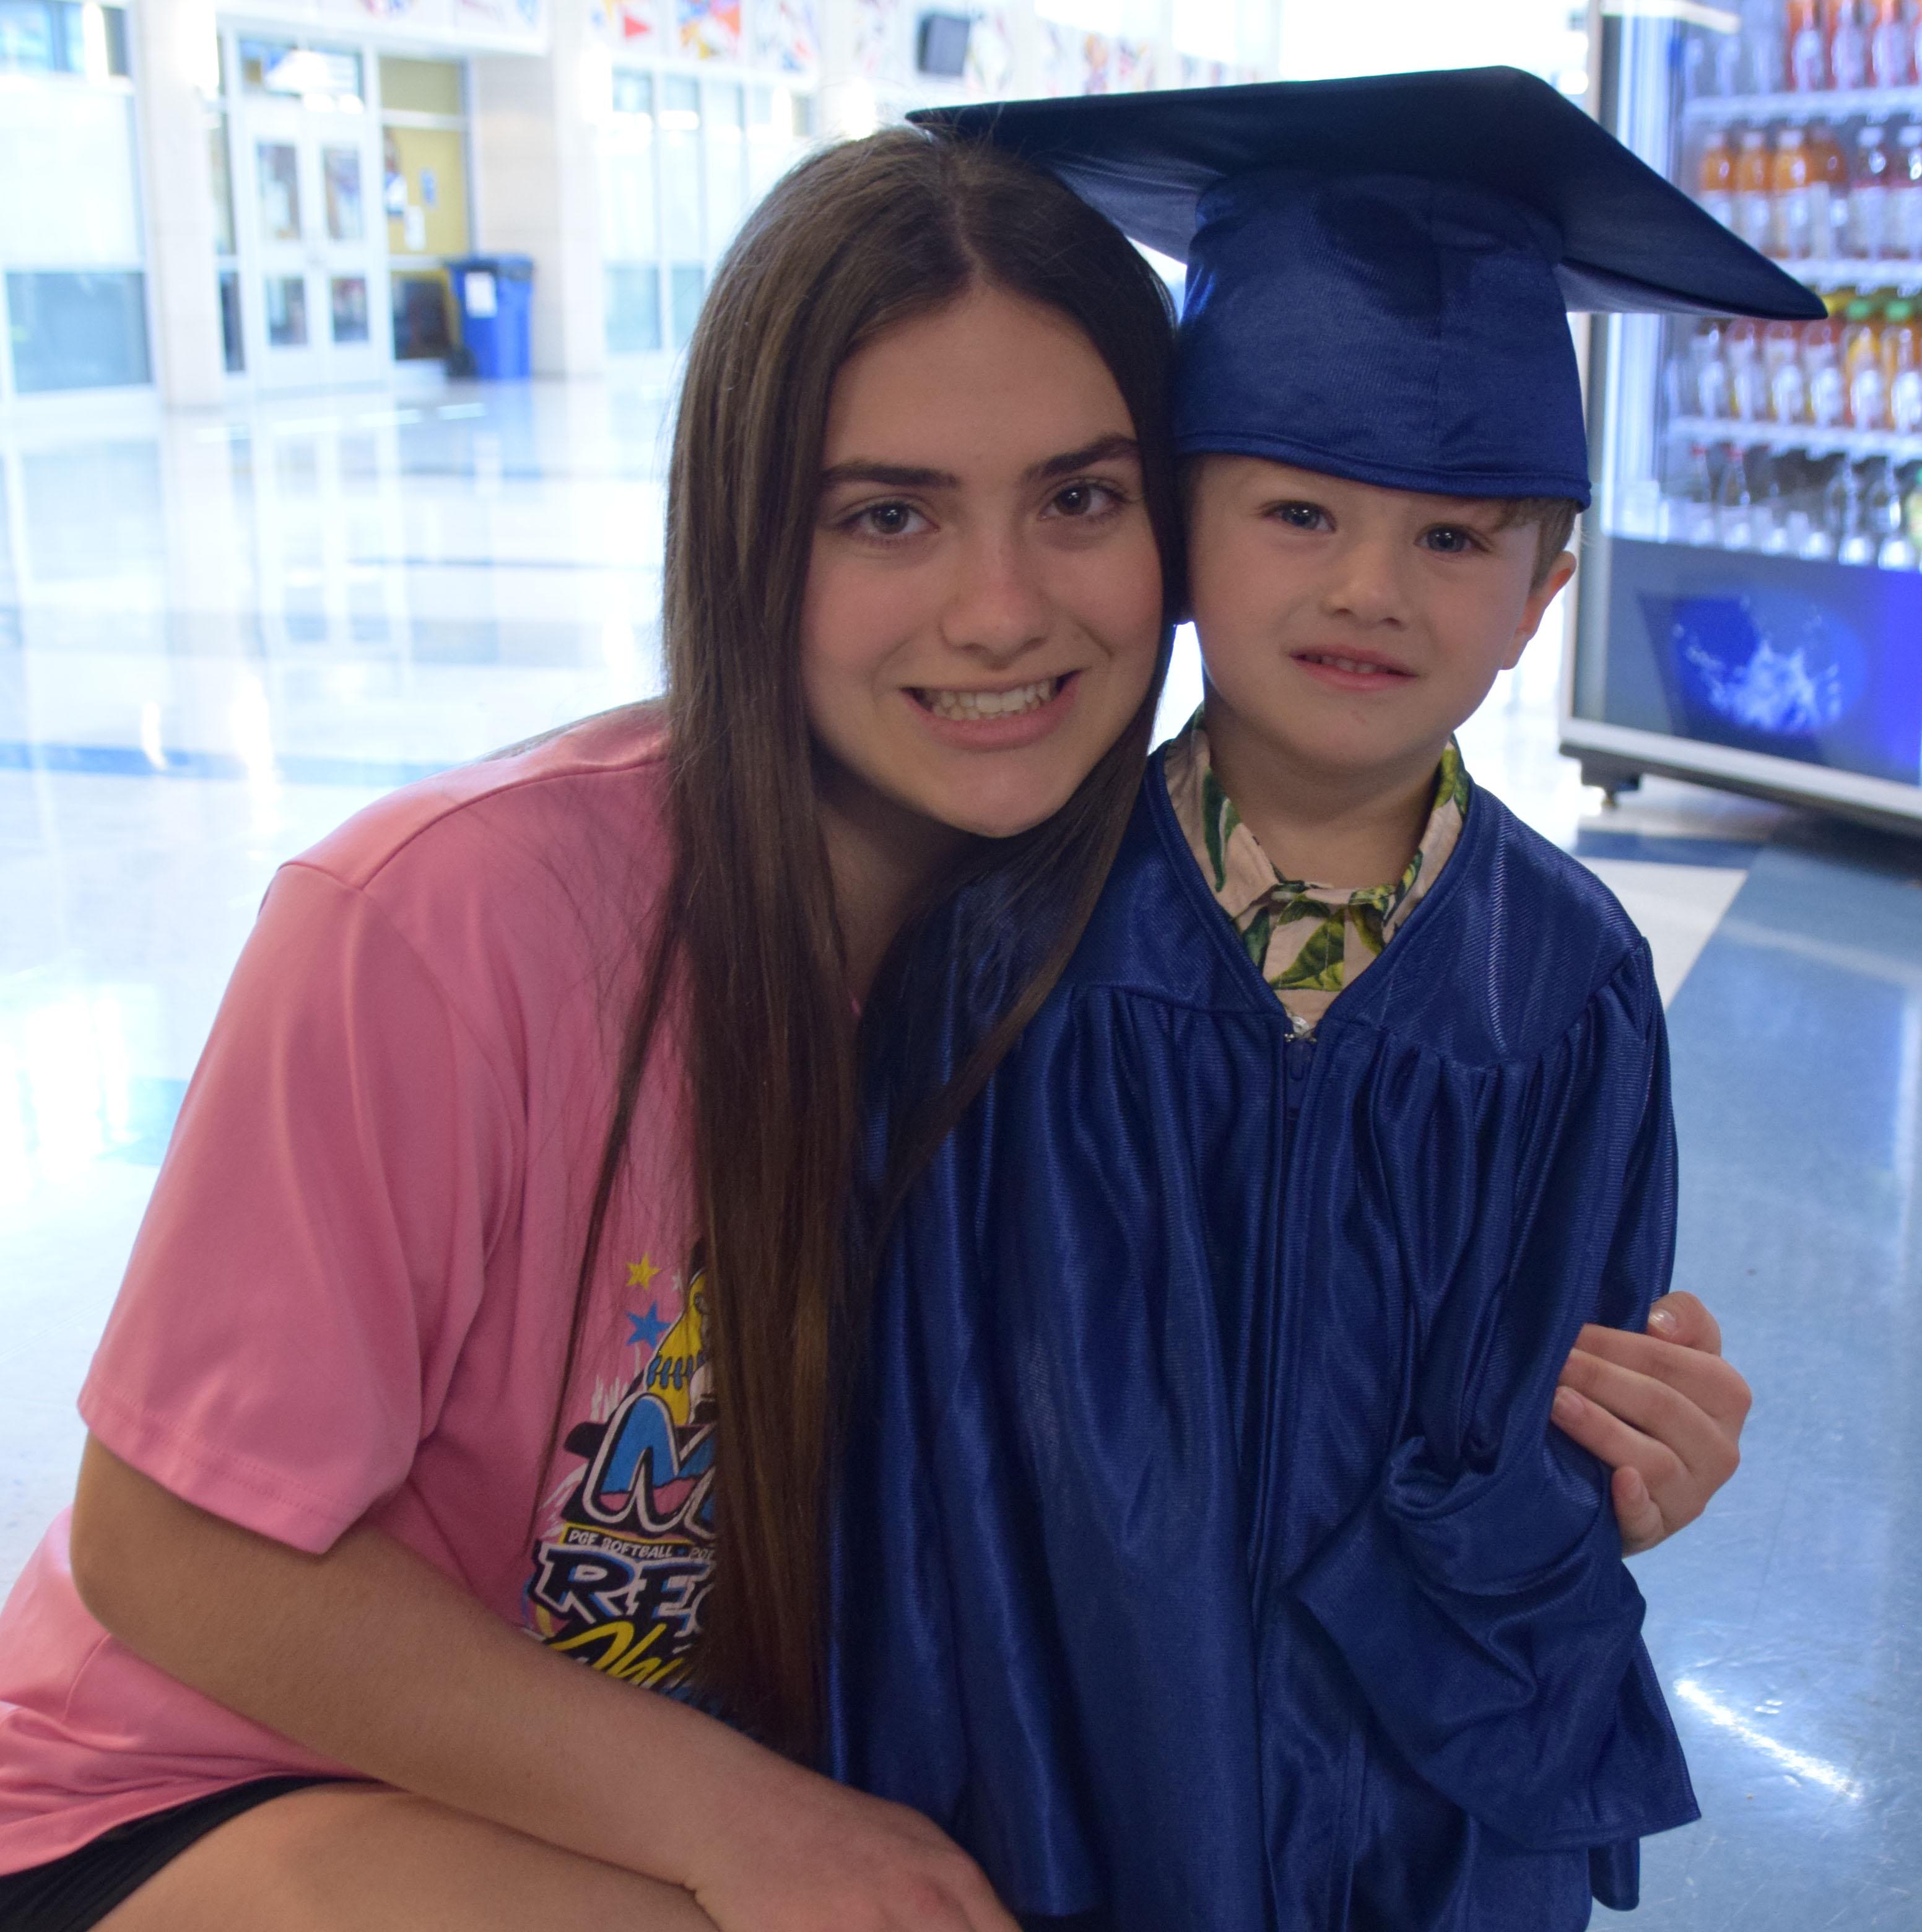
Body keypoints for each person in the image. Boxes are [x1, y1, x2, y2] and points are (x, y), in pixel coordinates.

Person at [0, 114, 1745, 1932]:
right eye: (887, 514)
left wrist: (1560, 1465)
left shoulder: (1138, 943)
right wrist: (741, 1821)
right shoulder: (452, 926)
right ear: (748, 534)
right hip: (228, 1779)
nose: (1000, 613)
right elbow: (166, 1552)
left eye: (1078, 500)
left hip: (686, 1760)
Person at [827, 69, 1803, 1932]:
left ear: (1543, 592)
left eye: (1455, 539)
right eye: (1296, 509)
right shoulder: (1012, 946)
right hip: (1068, 1782)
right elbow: (932, 1450)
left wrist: (1615, 1482)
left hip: (1424, 1820)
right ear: (1183, 530)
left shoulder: (1570, 989)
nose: (1370, 589)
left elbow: (1565, 1421)